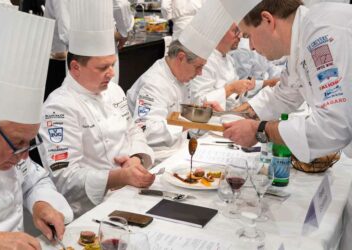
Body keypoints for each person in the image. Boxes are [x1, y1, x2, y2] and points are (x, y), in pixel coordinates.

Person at [0, 6, 73, 250]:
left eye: (30, 143)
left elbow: (35, 181)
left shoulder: (16, 151)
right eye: (17, 144)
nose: (24, 155)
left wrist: (41, 204)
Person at [38, 0, 155, 218]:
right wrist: (119, 176)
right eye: (102, 68)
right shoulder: (58, 107)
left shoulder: (115, 91)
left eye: (112, 64)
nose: (111, 73)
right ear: (75, 68)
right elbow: (65, 178)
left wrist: (136, 159)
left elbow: (133, 130)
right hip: (91, 211)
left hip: (131, 195)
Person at [222, 0, 352, 163]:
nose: (251, 47)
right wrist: (235, 116)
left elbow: (334, 128)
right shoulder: (303, 37)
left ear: (267, 20)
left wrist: (260, 130)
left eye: (249, 36)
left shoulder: (321, 34)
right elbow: (285, 94)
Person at [127, 0, 234, 161]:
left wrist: (200, 113)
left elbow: (183, 120)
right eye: (198, 67)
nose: (200, 73)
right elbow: (145, 129)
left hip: (179, 150)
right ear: (181, 58)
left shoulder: (180, 77)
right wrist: (187, 120)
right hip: (153, 157)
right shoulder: (154, 83)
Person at [189, 23, 255, 111]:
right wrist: (231, 88)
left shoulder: (228, 59)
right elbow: (199, 103)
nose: (240, 36)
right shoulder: (204, 60)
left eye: (240, 31)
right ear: (219, 32)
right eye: (236, 31)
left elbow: (235, 98)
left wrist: (245, 86)